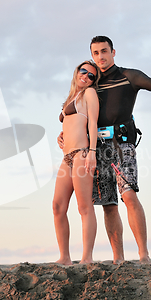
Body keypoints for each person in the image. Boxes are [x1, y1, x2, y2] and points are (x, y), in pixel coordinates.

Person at [58, 36, 151, 264]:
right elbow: (80, 116)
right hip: (97, 148)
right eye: (95, 53)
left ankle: (143, 254)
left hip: (121, 144)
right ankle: (118, 258)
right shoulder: (92, 84)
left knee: (129, 195)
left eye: (104, 51)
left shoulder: (129, 76)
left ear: (113, 52)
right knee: (108, 204)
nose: (100, 57)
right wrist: (66, 135)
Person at [52, 60, 100, 265]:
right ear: (76, 72)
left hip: (81, 154)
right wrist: (60, 136)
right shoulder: (73, 96)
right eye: (84, 72)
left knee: (84, 207)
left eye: (91, 76)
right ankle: (64, 257)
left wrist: (92, 152)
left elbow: (93, 124)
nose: (86, 77)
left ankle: (87, 257)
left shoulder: (89, 93)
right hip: (67, 157)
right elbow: (70, 123)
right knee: (57, 206)